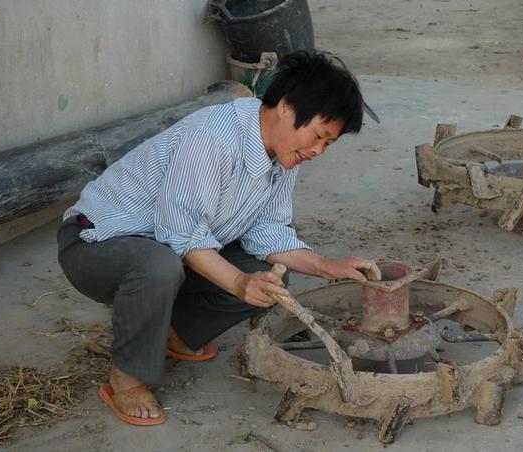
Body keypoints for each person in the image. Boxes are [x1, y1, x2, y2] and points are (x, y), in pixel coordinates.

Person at [56, 51, 380, 426]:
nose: (317, 151)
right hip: (96, 244)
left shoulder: (283, 153)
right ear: (286, 109)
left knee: (270, 278)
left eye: (328, 144)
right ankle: (126, 375)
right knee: (160, 266)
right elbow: (180, 233)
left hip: (167, 250)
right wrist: (238, 282)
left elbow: (267, 230)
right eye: (319, 136)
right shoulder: (212, 138)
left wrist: (326, 265)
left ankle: (172, 332)